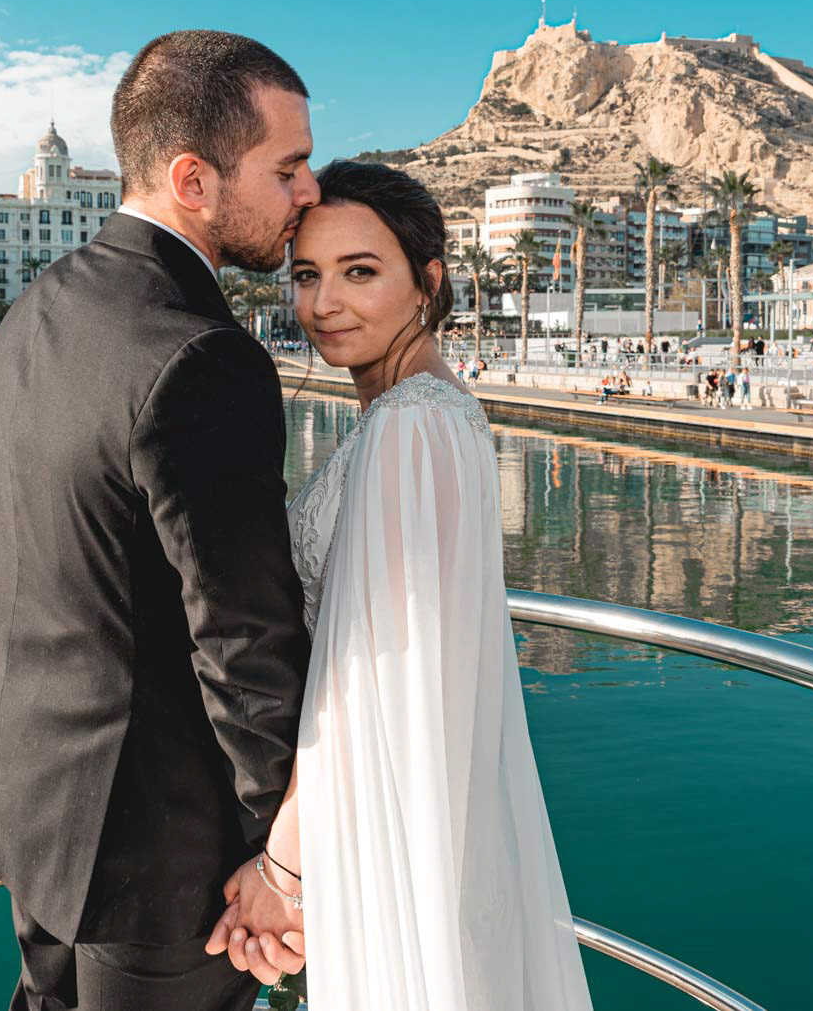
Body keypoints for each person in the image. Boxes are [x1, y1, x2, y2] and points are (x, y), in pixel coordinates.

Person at [0, 31, 316, 1010]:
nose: (304, 194)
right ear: (193, 179)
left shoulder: (35, 312)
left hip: (33, 809)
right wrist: (278, 857)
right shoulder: (202, 357)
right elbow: (242, 635)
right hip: (159, 860)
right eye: (285, 169)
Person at [230, 159, 594, 1011]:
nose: (325, 305)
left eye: (361, 273)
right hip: (412, 795)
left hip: (379, 807)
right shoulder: (436, 411)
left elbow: (363, 679)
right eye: (308, 276)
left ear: (427, 281)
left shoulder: (408, 426)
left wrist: (283, 867)